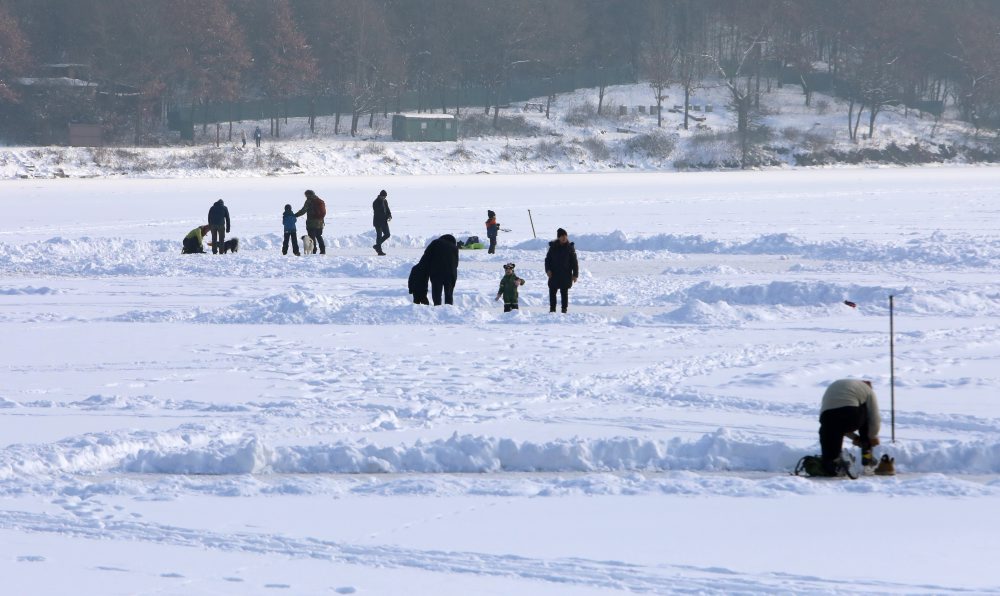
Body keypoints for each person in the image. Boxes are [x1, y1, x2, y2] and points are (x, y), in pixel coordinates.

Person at [818, 379, 881, 476]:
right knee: (866, 411)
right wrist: (872, 437)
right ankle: (867, 457)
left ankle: (833, 464)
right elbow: (874, 417)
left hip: (826, 418)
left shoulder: (845, 386)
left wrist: (855, 438)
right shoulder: (868, 391)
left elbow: (839, 422)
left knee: (832, 436)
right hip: (851, 415)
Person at [544, 228, 579, 313]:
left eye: (565, 236)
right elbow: (547, 260)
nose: (564, 238)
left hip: (565, 274)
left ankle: (564, 310)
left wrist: (575, 275)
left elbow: (574, 262)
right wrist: (548, 270)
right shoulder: (553, 247)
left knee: (564, 292)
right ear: (558, 237)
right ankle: (552, 309)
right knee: (552, 292)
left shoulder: (570, 248)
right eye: (562, 236)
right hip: (554, 274)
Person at [420, 234, 459, 306]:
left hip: (437, 273)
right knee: (449, 294)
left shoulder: (436, 242)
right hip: (450, 274)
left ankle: (437, 308)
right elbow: (456, 264)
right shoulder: (455, 247)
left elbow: (426, 256)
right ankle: (449, 309)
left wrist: (422, 268)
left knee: (437, 294)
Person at [294, 189, 326, 254]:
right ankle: (323, 251)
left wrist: (295, 215)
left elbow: (303, 211)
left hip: (311, 223)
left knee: (311, 238)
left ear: (308, 195)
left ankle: (313, 251)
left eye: (305, 195)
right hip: (320, 223)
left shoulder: (309, 201)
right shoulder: (320, 200)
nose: (305, 196)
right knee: (319, 236)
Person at [372, 189, 392, 256]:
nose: (384, 197)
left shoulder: (385, 201)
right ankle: (379, 251)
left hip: (384, 222)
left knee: (387, 234)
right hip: (378, 222)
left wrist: (389, 216)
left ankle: (377, 246)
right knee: (379, 236)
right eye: (383, 196)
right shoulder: (375, 202)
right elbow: (378, 213)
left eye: (385, 196)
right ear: (380, 195)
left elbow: (387, 209)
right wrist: (386, 217)